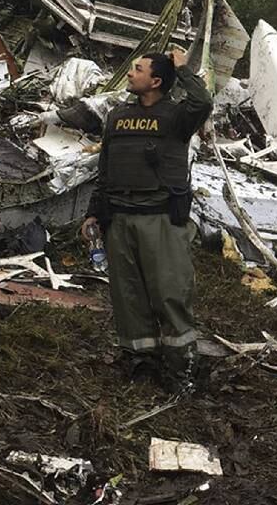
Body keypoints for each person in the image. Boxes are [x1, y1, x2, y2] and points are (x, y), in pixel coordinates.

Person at [82, 49, 212, 390]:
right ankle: (141, 362)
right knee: (128, 296)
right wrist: (94, 212)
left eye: (137, 69)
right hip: (119, 219)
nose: (129, 73)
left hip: (160, 219)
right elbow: (105, 168)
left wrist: (183, 69)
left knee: (170, 292)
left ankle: (181, 367)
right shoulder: (117, 117)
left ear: (155, 81)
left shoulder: (177, 117)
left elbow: (203, 103)